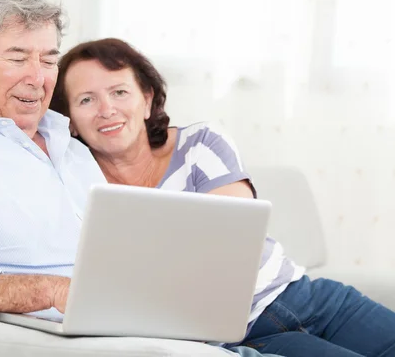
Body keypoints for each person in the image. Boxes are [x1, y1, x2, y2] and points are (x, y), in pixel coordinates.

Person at [0, 0, 282, 357]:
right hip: (102, 344)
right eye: (18, 58)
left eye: (49, 60)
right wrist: (48, 290)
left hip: (167, 330)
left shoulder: (72, 148)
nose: (38, 78)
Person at [49, 37, 395, 357]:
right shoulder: (77, 187)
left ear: (147, 100)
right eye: (86, 100)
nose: (107, 109)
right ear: (71, 123)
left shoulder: (201, 143)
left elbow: (234, 247)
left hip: (305, 296)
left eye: (120, 92)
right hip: (241, 333)